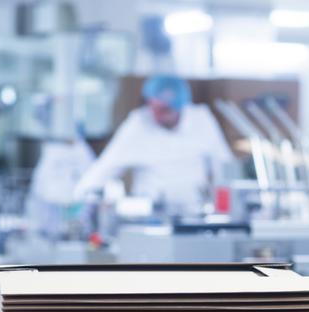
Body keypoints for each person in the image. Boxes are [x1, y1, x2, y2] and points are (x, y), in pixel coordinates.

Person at [73, 75, 233, 214]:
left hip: (194, 210)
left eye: (163, 110)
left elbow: (224, 168)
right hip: (150, 213)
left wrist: (226, 209)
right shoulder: (139, 123)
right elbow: (106, 166)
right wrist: (77, 200)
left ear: (179, 107)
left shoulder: (201, 120)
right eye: (152, 107)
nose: (155, 115)